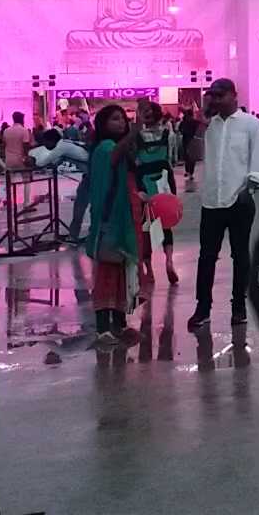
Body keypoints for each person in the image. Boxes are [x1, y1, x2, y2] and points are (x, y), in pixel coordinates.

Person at [191, 78, 259, 332]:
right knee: (206, 257)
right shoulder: (209, 126)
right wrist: (200, 124)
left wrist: (250, 189)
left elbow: (258, 160)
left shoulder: (251, 124)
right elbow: (191, 155)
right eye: (213, 95)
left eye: (221, 95)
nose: (216, 99)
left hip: (239, 200)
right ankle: (203, 308)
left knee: (240, 256)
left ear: (234, 95)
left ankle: (239, 307)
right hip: (211, 201)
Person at [83, 104, 145, 345]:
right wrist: (134, 130)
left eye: (122, 119)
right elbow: (114, 156)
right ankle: (103, 329)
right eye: (115, 119)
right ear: (103, 125)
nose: (121, 123)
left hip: (123, 218)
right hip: (109, 220)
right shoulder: (104, 147)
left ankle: (119, 325)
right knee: (107, 274)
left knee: (121, 272)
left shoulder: (121, 148)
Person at [132, 99, 181, 287]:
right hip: (164, 178)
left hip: (144, 180)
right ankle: (169, 260)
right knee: (166, 224)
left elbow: (134, 160)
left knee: (146, 227)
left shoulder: (136, 137)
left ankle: (149, 270)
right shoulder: (168, 133)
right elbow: (173, 158)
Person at [178, 106, 203, 184]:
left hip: (186, 140)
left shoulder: (184, 121)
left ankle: (187, 171)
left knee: (187, 156)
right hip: (193, 140)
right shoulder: (195, 122)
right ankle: (191, 172)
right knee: (192, 157)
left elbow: (180, 129)